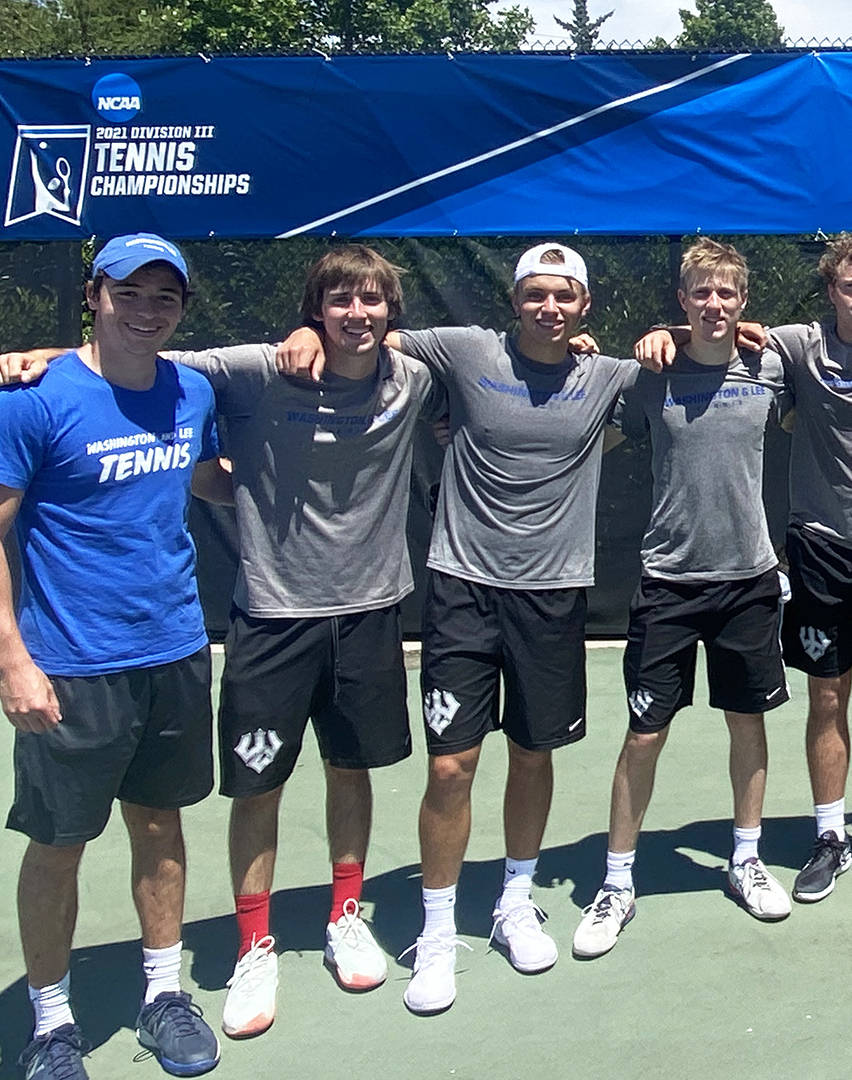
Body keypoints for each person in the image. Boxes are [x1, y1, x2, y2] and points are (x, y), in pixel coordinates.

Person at [0, 246, 439, 1038]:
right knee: (225, 796)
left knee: (329, 777)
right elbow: (129, 351)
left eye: (373, 302)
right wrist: (45, 356)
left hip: (307, 623)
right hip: (227, 625)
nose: (358, 314)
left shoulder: (401, 374)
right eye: (339, 300)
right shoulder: (240, 370)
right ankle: (232, 951)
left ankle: (331, 920)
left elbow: (197, 458)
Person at [276, 243, 642, 1014]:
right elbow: (369, 337)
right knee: (452, 767)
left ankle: (515, 899)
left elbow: (691, 358)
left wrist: (676, 333)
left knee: (534, 753)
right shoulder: (465, 348)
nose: (550, 308)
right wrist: (309, 330)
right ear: (515, 301)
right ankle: (437, 929)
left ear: (585, 308)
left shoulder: (605, 373)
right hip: (461, 591)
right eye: (536, 294)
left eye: (564, 297)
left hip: (554, 597)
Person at [638, 232, 852, 903]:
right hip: (820, 548)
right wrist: (660, 333)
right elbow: (711, 336)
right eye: (850, 285)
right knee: (826, 695)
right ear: (831, 290)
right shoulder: (795, 345)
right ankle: (830, 837)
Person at [4, 235, 226, 1079]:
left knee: (160, 824)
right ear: (94, 295)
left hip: (173, 651)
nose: (146, 310)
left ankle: (163, 996)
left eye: (164, 297)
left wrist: (306, 483)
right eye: (129, 293)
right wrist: (12, 662)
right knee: (59, 844)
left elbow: (204, 477)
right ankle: (52, 1024)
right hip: (70, 664)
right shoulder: (32, 398)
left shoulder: (193, 389)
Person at [571, 238, 793, 958]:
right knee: (644, 735)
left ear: (743, 302)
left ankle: (747, 859)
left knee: (747, 724)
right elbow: (592, 427)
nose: (715, 305)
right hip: (667, 583)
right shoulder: (648, 376)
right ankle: (617, 880)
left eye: (727, 294)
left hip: (749, 581)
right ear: (683, 300)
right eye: (702, 293)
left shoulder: (770, 366)